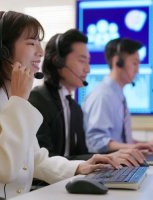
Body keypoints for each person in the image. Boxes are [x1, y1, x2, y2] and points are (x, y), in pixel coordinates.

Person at [0, 11, 127, 199]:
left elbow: (35, 159)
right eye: (31, 43)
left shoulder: (11, 98)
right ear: (3, 51)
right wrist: (19, 100)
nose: (41, 51)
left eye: (39, 43)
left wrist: (79, 166)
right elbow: (1, 168)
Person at [28, 29, 145, 166]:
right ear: (58, 61)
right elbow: (42, 161)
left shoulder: (74, 107)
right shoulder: (37, 101)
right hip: (43, 186)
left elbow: (80, 155)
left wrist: (111, 158)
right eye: (82, 61)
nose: (88, 69)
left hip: (68, 182)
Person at [82, 38, 153, 154]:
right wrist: (137, 147)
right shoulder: (102, 96)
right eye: (134, 63)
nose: (138, 70)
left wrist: (149, 144)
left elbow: (120, 141)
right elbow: (96, 142)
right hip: (108, 168)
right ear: (117, 61)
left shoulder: (117, 94)